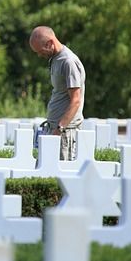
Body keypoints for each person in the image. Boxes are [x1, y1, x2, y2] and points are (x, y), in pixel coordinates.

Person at [29, 26, 85, 161]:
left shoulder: (68, 62)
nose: (39, 55)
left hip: (65, 132)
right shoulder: (55, 59)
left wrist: (59, 129)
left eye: (40, 51)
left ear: (50, 43)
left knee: (59, 178)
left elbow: (75, 100)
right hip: (54, 128)